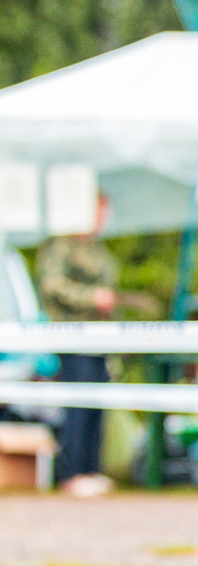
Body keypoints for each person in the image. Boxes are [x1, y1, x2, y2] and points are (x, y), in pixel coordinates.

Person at [36, 193, 156, 497]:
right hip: (71, 335)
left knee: (97, 405)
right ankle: (71, 472)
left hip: (100, 337)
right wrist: (91, 298)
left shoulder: (97, 249)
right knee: (77, 404)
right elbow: (52, 286)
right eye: (98, 212)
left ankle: (91, 469)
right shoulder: (60, 245)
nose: (103, 220)